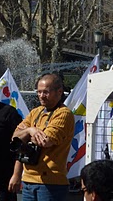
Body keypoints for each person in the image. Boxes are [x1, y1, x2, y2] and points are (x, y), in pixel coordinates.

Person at [12, 72, 75, 201]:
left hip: (51, 184)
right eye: (39, 92)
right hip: (28, 181)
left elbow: (45, 141)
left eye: (46, 92)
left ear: (59, 92)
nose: (41, 96)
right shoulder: (36, 112)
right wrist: (31, 130)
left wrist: (27, 134)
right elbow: (15, 138)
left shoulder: (64, 114)